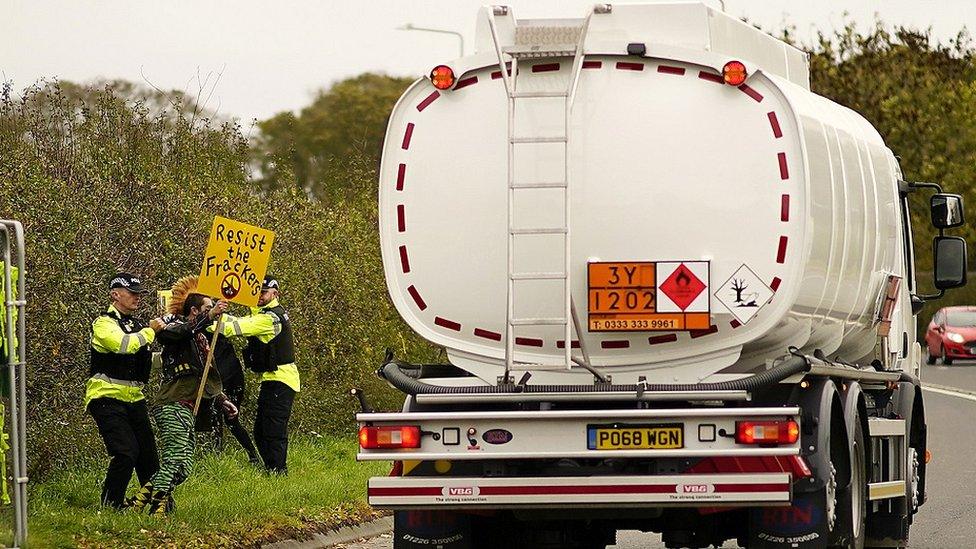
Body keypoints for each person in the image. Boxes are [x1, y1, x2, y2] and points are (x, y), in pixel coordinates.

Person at [129, 277, 238, 515]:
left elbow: (205, 379)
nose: (213, 313)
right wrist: (208, 317)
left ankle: (139, 499)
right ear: (195, 311)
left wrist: (222, 400)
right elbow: (176, 333)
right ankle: (156, 509)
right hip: (172, 404)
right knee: (174, 457)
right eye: (208, 309)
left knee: (184, 467)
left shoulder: (201, 341)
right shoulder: (175, 329)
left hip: (190, 409)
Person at [86, 272, 163, 509]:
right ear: (115, 294)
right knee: (126, 453)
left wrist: (174, 360)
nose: (137, 298)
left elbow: (144, 360)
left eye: (139, 293)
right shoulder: (103, 323)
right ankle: (111, 505)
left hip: (134, 398)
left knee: (149, 457)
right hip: (105, 397)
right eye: (132, 293)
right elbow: (124, 346)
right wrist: (151, 331)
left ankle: (160, 507)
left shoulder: (137, 326)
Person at [218, 275, 299, 474]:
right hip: (273, 379)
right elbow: (242, 319)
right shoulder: (267, 313)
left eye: (263, 292)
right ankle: (271, 470)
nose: (259, 296)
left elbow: (233, 328)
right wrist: (214, 310)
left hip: (281, 380)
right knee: (261, 431)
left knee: (273, 432)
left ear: (275, 293)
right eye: (256, 292)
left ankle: (278, 472)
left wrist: (204, 321)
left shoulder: (269, 318)